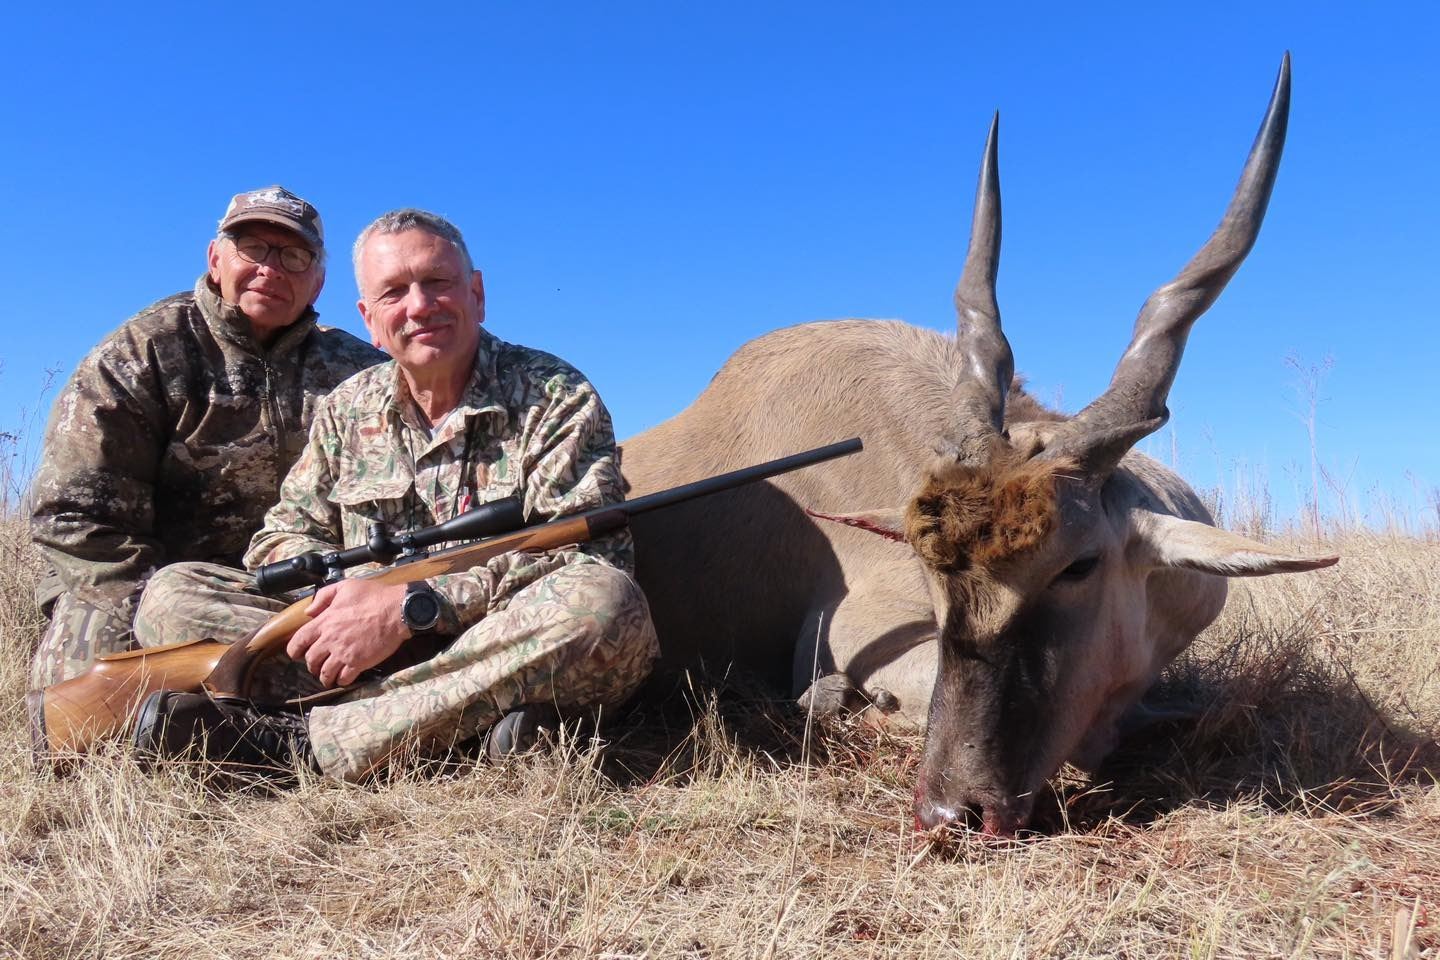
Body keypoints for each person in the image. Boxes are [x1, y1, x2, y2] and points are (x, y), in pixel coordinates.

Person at [130, 209, 658, 782]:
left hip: (495, 636)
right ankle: (455, 730)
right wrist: (344, 601)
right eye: (394, 292)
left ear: (477, 294)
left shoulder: (555, 395)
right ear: (370, 320)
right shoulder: (345, 408)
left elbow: (589, 553)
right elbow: (282, 535)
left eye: (437, 282)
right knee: (173, 594)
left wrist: (411, 608)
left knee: (601, 603)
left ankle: (297, 744)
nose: (420, 306)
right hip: (358, 643)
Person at [28, 187, 383, 691]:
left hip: (293, 586)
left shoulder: (359, 371)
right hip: (138, 583)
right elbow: (72, 515)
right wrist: (157, 611)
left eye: (294, 256)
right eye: (252, 248)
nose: (270, 268)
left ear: (318, 282)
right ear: (216, 259)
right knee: (87, 694)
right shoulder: (141, 352)